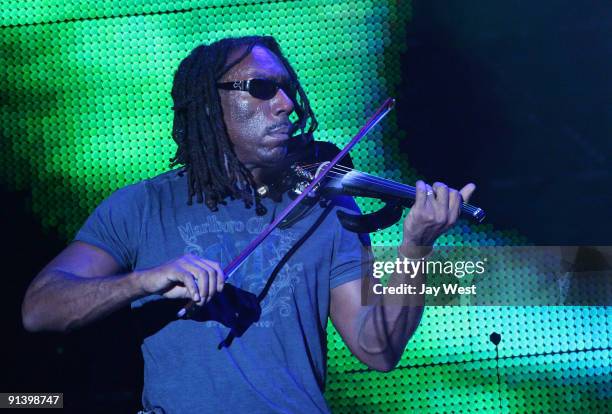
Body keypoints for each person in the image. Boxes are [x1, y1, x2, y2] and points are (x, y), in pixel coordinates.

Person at [21, 36, 476, 413]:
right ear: (208, 104)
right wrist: (142, 282)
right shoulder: (142, 205)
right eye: (261, 88)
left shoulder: (328, 207)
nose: (286, 106)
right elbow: (40, 309)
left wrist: (416, 248)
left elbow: (378, 349)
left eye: (286, 90)